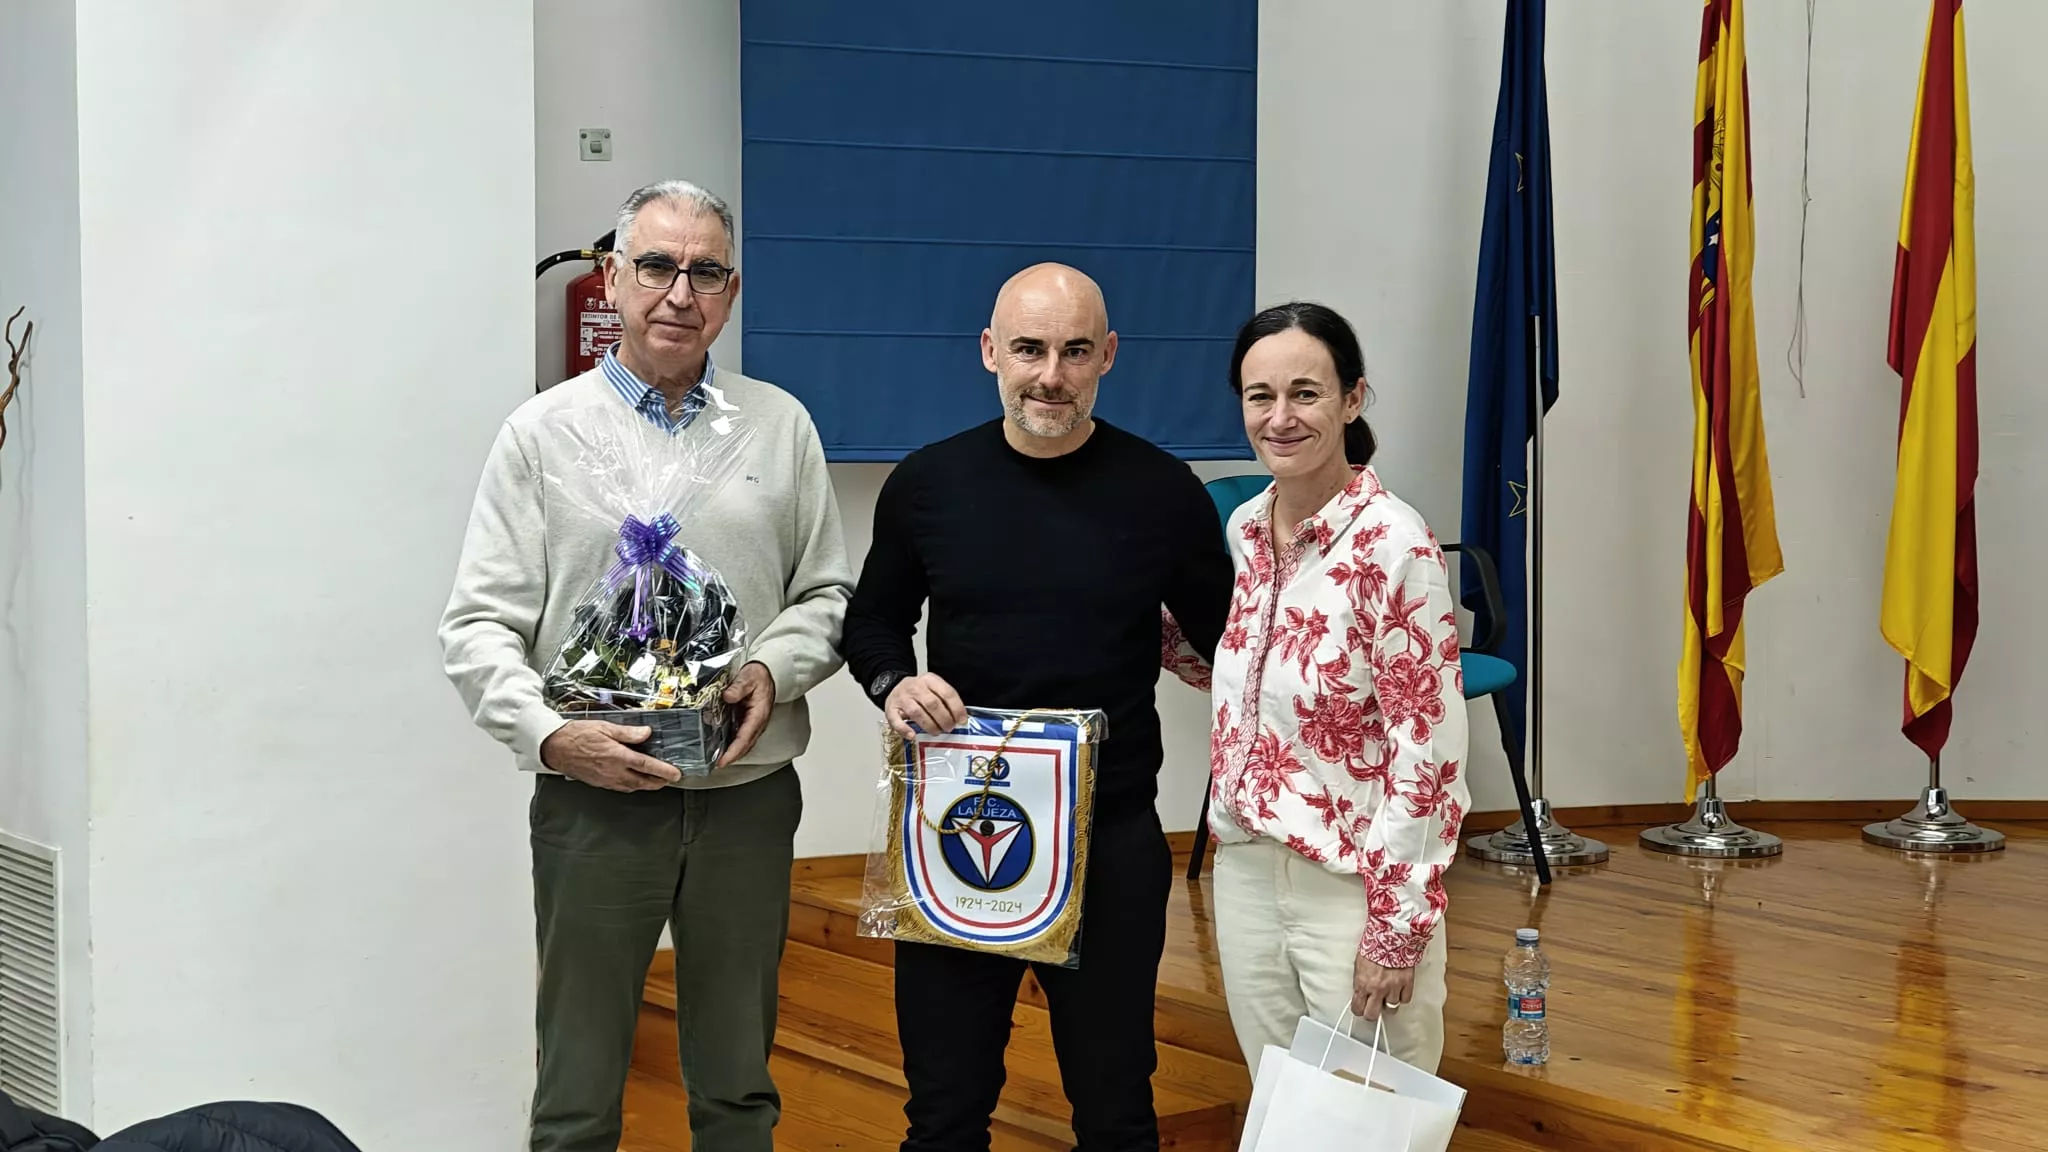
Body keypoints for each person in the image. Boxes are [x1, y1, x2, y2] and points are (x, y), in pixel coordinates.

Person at [439, 179, 854, 1152]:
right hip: (592, 799)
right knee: (577, 1090)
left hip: (743, 794)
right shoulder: (541, 434)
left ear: (732, 289)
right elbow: (476, 624)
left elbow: (826, 597)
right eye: (657, 266)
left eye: (704, 271)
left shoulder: (777, 425)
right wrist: (549, 737)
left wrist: (774, 670)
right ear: (614, 278)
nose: (679, 291)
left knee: (737, 1083)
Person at [838, 263, 1234, 1152]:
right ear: (990, 353)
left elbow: (1235, 646)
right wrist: (893, 681)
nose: (1050, 374)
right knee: (943, 1111)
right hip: (955, 830)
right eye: (1028, 349)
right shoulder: (927, 485)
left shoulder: (1165, 492)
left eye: (1074, 350)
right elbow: (871, 621)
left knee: (1116, 1111)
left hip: (1111, 840)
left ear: (1108, 357)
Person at [1164, 301, 1469, 1076]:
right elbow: (1247, 677)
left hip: (1352, 883)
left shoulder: (1395, 545)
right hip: (1246, 869)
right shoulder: (1244, 531)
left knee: (1368, 1111)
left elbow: (1428, 757)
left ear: (1353, 399)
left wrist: (1397, 925)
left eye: (1306, 393)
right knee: (1285, 1102)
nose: (1280, 417)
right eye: (1260, 396)